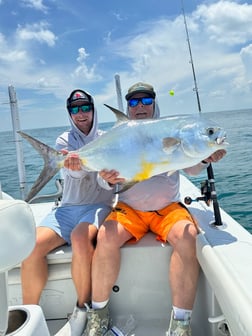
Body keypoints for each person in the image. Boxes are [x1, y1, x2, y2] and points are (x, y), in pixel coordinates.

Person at [82, 82, 226, 336]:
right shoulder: (118, 133)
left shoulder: (169, 130)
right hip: (130, 208)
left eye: (146, 101)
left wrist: (205, 157)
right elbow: (103, 180)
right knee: (105, 237)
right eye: (134, 102)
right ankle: (99, 314)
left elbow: (191, 167)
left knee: (187, 236)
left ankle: (181, 324)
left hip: (167, 208)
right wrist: (107, 179)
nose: (140, 107)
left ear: (154, 104)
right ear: (127, 107)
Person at [21, 89, 122, 336]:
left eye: (85, 107)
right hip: (66, 209)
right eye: (74, 109)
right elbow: (73, 173)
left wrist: (106, 179)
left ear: (93, 109)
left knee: (80, 238)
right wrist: (74, 166)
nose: (81, 114)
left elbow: (106, 183)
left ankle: (82, 309)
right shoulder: (63, 141)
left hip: (98, 206)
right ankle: (29, 315)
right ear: (69, 114)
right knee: (30, 246)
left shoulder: (108, 138)